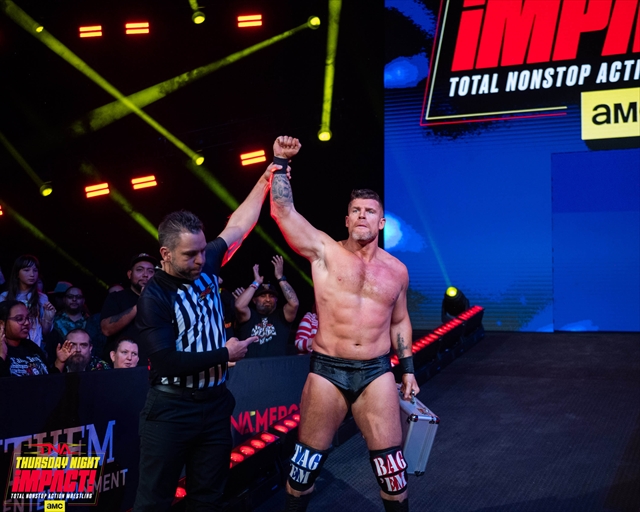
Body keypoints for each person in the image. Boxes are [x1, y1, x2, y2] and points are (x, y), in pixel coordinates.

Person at [269, 136, 419, 512]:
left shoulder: (397, 271)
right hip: (328, 371)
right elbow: (282, 212)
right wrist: (281, 163)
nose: (362, 216)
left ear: (381, 222)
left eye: (370, 211)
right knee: (303, 471)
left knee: (393, 474)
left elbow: (400, 321)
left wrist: (408, 369)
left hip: (376, 372)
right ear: (347, 219)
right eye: (356, 210)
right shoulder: (325, 252)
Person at [132, 161, 287, 512]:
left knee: (209, 499)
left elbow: (239, 226)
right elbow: (165, 361)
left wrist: (266, 178)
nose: (201, 260)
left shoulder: (206, 262)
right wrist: (224, 354)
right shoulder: (154, 297)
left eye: (203, 250)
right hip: (171, 409)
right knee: (154, 503)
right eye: (191, 254)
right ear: (165, 254)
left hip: (215, 404)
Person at [234, 256, 299, 357]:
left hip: (277, 366)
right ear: (254, 300)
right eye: (263, 296)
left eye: (272, 296)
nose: (268, 299)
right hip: (249, 366)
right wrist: (256, 282)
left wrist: (280, 277)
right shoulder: (249, 316)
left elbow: (294, 303)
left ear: (276, 299)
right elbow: (239, 306)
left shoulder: (282, 316)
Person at [100, 253, 157, 365]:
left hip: (151, 366)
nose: (145, 275)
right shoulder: (117, 297)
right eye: (140, 270)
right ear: (130, 274)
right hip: (120, 367)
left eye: (150, 271)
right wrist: (139, 305)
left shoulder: (162, 300)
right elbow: (106, 329)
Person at [0, 255, 56, 348]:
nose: (32, 274)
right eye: (26, 270)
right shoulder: (4, 297)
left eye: (35, 270)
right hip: (9, 346)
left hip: (34, 345)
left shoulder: (42, 298)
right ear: (17, 273)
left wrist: (48, 318)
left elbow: (44, 332)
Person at [0, 300, 49, 377]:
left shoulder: (31, 346)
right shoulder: (1, 350)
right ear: (2, 324)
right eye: (19, 319)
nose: (27, 323)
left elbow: (50, 378)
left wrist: (60, 362)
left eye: (27, 318)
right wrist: (2, 355)